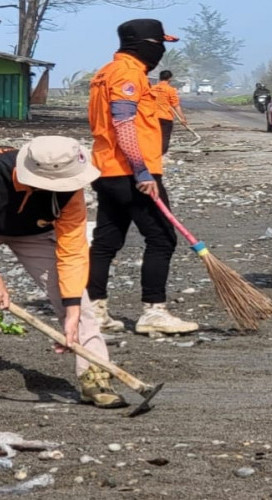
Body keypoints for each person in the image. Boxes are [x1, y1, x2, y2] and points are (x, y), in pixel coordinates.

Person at [87, 19, 198, 336]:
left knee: (106, 242)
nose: (162, 50)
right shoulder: (127, 74)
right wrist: (141, 171)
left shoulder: (105, 72)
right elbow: (123, 123)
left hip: (106, 170)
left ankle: (95, 311)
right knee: (162, 238)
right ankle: (154, 310)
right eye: (159, 44)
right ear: (146, 44)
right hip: (131, 173)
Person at [0, 136, 127, 408]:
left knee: (80, 306)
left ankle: (95, 375)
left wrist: (71, 310)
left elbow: (72, 250)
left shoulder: (71, 189)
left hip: (35, 232)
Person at [153, 70, 187, 155]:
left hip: (152, 117)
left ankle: (152, 155)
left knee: (153, 137)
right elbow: (176, 105)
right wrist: (182, 118)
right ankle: (160, 156)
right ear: (170, 79)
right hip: (165, 117)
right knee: (164, 137)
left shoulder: (152, 88)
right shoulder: (171, 90)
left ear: (159, 77)